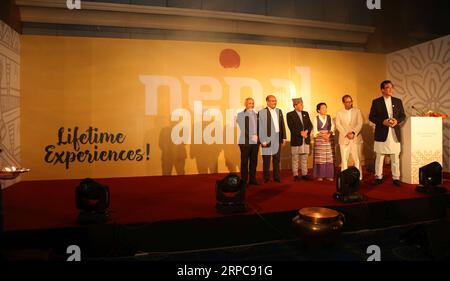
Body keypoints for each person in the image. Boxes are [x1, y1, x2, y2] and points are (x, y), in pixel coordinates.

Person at [369, 80, 406, 186]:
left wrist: (396, 121)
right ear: (382, 90)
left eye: (391, 87)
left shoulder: (398, 101)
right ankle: (378, 176)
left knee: (395, 156)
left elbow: (403, 115)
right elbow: (371, 117)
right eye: (388, 87)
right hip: (382, 132)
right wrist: (382, 121)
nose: (390, 89)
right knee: (380, 156)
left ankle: (396, 178)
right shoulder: (376, 102)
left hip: (394, 132)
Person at [258, 95, 286, 183]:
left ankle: (276, 177)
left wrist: (284, 137)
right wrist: (262, 140)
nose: (275, 102)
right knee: (266, 159)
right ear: (267, 102)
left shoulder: (279, 111)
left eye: (275, 100)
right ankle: (266, 178)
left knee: (276, 159)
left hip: (277, 138)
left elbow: (282, 125)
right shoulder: (262, 112)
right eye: (272, 101)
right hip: (266, 139)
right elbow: (260, 127)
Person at [335, 95, 363, 179]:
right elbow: (338, 125)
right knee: (344, 160)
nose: (349, 103)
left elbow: (360, 123)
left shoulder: (357, 111)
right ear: (343, 102)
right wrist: (346, 134)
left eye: (351, 101)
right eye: (347, 102)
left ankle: (358, 177)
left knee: (357, 159)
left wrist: (354, 133)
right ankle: (344, 178)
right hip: (344, 139)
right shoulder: (339, 112)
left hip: (355, 138)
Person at [286, 98, 313, 182]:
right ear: (295, 106)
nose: (302, 106)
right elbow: (291, 127)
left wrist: (307, 132)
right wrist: (301, 133)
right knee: (295, 158)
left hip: (305, 139)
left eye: (302, 104)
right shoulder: (290, 114)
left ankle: (304, 174)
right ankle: (296, 175)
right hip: (297, 139)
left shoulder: (305, 113)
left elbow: (310, 125)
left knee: (304, 158)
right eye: (300, 104)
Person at [236, 98, 259, 185]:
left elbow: (259, 127)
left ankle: (252, 179)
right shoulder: (240, 115)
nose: (251, 105)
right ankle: (244, 181)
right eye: (249, 103)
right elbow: (243, 128)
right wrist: (251, 137)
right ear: (245, 104)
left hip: (255, 142)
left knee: (254, 161)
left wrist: (258, 137)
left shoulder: (257, 115)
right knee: (244, 162)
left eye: (253, 103)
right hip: (245, 142)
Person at [313, 102, 335, 181]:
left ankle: (329, 175)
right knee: (320, 158)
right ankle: (320, 175)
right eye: (322, 108)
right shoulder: (316, 118)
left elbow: (332, 127)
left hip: (328, 139)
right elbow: (315, 130)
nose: (325, 109)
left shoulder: (329, 117)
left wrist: (328, 135)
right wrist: (323, 135)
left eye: (325, 108)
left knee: (329, 157)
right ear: (318, 110)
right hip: (320, 139)